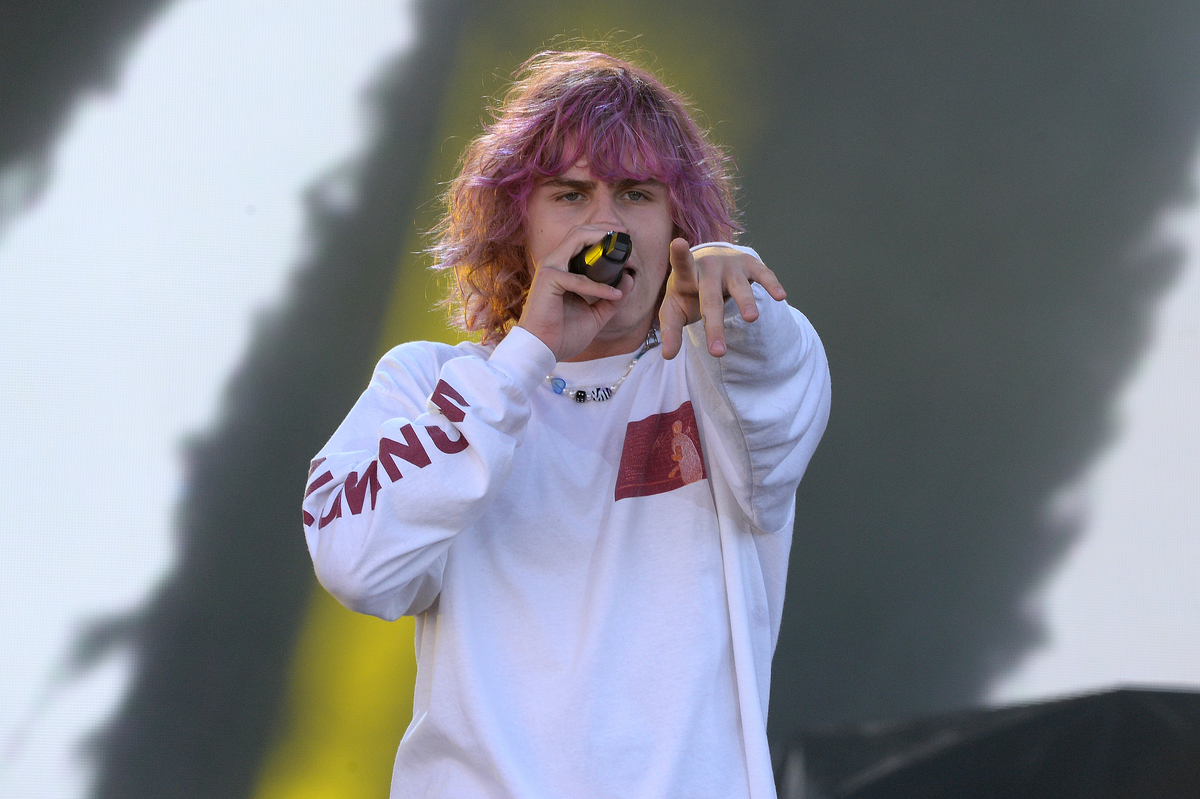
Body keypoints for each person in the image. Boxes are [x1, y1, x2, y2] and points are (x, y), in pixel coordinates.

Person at [302, 49, 831, 799]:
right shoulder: (431, 381)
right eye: (571, 193)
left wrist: (740, 308)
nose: (605, 225)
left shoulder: (719, 374)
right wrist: (526, 357)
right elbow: (357, 564)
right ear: (516, 222)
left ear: (679, 223)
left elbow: (775, 383)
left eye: (638, 194)